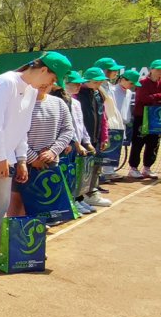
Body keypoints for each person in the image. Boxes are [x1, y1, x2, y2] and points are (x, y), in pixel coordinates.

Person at [0, 52, 70, 263]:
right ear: (43, 70)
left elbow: (22, 128)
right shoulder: (5, 83)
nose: (50, 85)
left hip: (7, 158)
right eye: (51, 79)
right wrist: (1, 157)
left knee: (0, 204)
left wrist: (21, 159)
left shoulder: (31, 91)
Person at [10, 78, 75, 220]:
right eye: (41, 83)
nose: (44, 86)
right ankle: (16, 232)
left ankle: (37, 230)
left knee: (44, 198)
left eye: (49, 83)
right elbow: (14, 133)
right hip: (22, 162)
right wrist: (32, 158)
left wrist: (53, 151)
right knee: (17, 199)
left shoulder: (59, 103)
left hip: (49, 162)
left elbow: (68, 130)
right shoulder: (19, 104)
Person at [74, 67, 111, 207]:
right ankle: (78, 198)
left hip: (95, 138)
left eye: (101, 82)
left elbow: (103, 117)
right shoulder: (78, 95)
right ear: (87, 81)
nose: (99, 85)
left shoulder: (98, 94)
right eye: (96, 82)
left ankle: (91, 194)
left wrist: (104, 136)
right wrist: (81, 140)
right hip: (83, 140)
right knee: (81, 168)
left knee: (95, 167)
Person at [61, 72, 96, 214]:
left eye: (80, 83)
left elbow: (81, 125)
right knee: (68, 176)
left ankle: (77, 200)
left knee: (78, 176)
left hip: (79, 146)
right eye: (75, 83)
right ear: (65, 84)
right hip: (69, 146)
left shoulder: (76, 102)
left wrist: (86, 142)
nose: (78, 86)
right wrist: (76, 143)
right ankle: (71, 202)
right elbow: (69, 127)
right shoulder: (63, 102)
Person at [93, 57, 125, 181]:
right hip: (101, 124)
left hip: (110, 123)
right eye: (113, 70)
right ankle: (96, 179)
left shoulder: (109, 86)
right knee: (99, 152)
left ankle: (103, 174)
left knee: (106, 150)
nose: (116, 72)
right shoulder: (99, 88)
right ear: (105, 71)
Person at [129, 60, 161, 180]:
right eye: (157, 69)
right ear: (151, 70)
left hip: (156, 117)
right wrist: (158, 96)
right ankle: (133, 168)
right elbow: (143, 99)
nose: (159, 72)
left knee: (153, 144)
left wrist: (154, 98)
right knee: (138, 143)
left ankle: (147, 168)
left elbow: (150, 98)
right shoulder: (142, 82)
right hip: (141, 117)